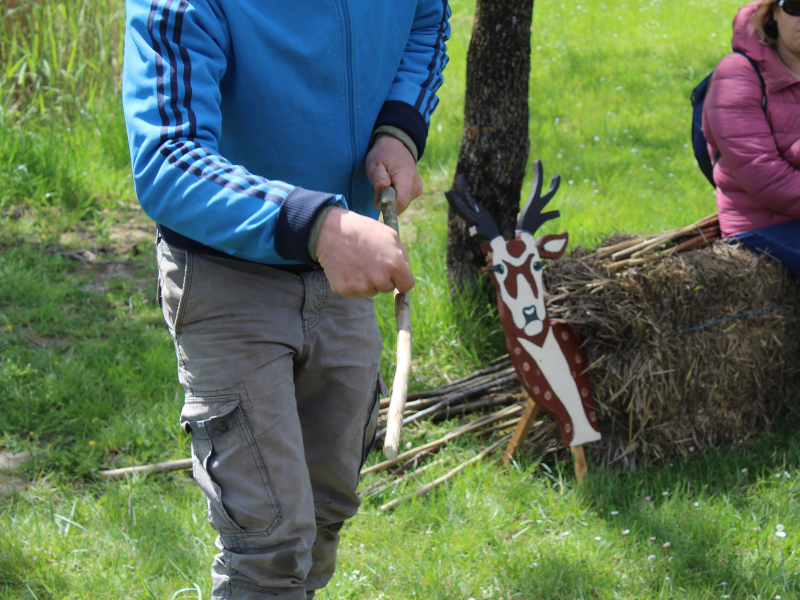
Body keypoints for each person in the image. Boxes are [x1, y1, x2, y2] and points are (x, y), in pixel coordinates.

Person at [121, 1, 450, 598]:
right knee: (267, 546)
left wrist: (398, 128)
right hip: (229, 275)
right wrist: (319, 227)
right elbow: (167, 158)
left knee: (323, 516)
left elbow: (426, 16)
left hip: (342, 271)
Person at [702, 0, 800, 277]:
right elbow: (764, 174)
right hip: (763, 230)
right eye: (795, 5)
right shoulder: (737, 73)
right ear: (774, 12)